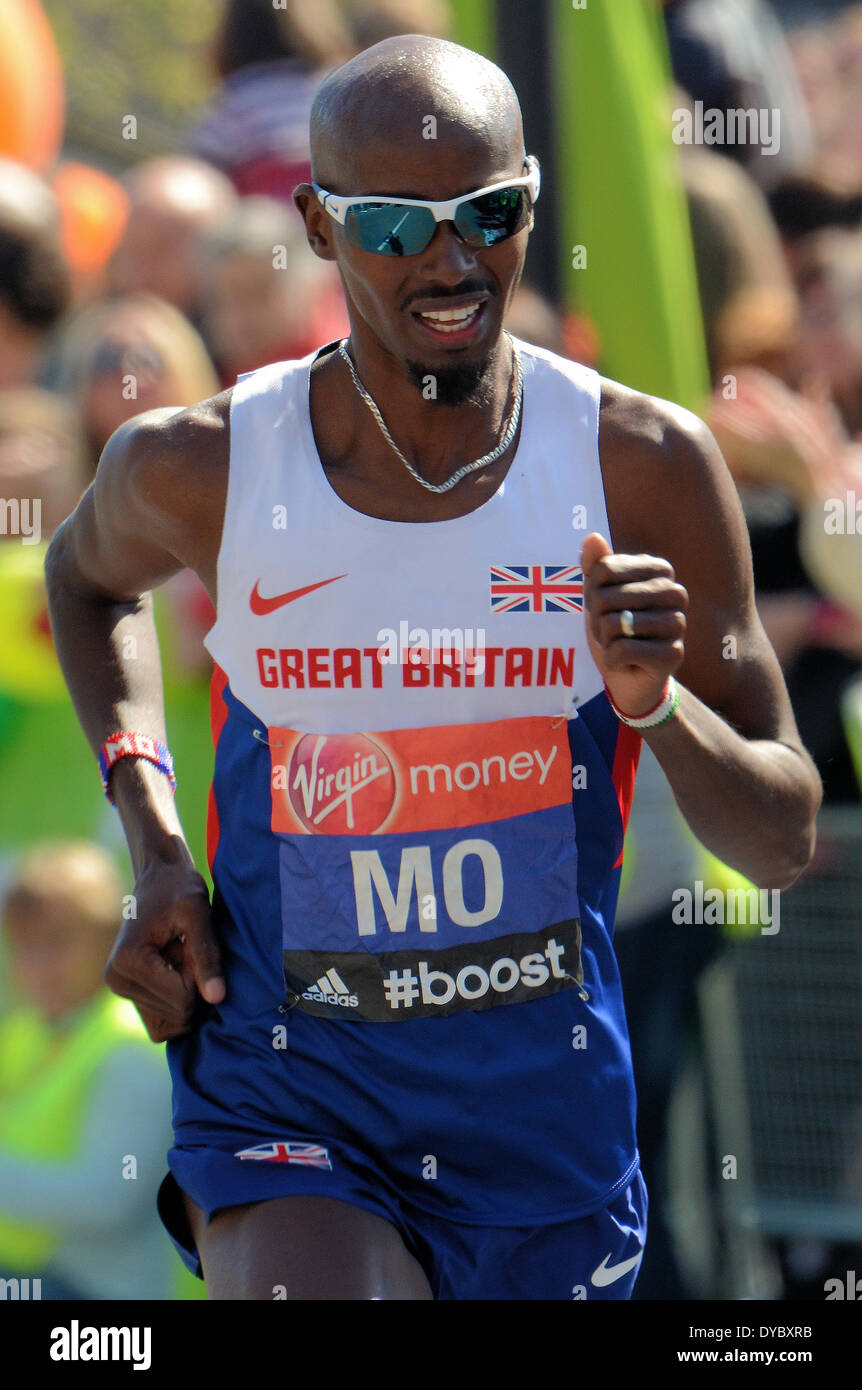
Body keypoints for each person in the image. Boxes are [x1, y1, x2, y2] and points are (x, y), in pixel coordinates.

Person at [44, 35, 821, 1301]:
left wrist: (656, 701)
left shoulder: (641, 464)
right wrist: (154, 833)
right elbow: (83, 582)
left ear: (530, 199)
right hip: (293, 1084)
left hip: (539, 1120)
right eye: (398, 224)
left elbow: (782, 836)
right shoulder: (205, 465)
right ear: (317, 221)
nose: (452, 261)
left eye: (488, 213)